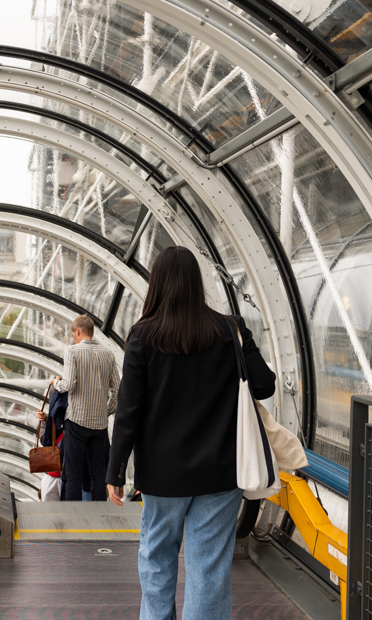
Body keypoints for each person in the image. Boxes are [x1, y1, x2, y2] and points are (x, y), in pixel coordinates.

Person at [105, 246, 276, 620]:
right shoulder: (229, 329)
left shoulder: (142, 336)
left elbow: (129, 411)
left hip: (163, 475)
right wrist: (242, 344)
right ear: (197, 283)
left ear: (157, 285)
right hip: (220, 471)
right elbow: (264, 385)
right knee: (209, 566)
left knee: (157, 555)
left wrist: (115, 472)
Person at [51, 314, 119, 501]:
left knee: (73, 475)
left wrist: (56, 383)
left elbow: (69, 384)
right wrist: (106, 411)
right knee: (98, 475)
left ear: (78, 331)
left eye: (74, 334)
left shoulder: (72, 351)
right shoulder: (108, 354)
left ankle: (75, 519)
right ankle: (98, 517)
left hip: (77, 422)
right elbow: (118, 390)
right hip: (99, 425)